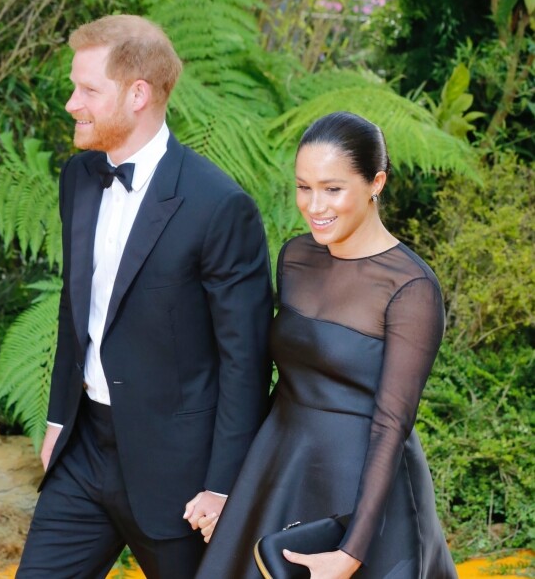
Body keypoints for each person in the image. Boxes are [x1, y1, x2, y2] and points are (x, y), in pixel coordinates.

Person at [16, 14, 273, 579]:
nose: (71, 104)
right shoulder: (78, 178)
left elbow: (245, 363)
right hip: (84, 454)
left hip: (179, 476)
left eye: (87, 90)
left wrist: (224, 485)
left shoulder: (219, 206)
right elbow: (75, 306)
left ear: (138, 94)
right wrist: (60, 417)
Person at [195, 111, 458, 578]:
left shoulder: (412, 287)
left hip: (363, 493)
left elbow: (391, 424)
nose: (314, 205)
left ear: (376, 182)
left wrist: (351, 552)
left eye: (332, 189)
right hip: (279, 468)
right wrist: (233, 487)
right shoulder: (295, 258)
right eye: (303, 187)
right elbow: (276, 381)